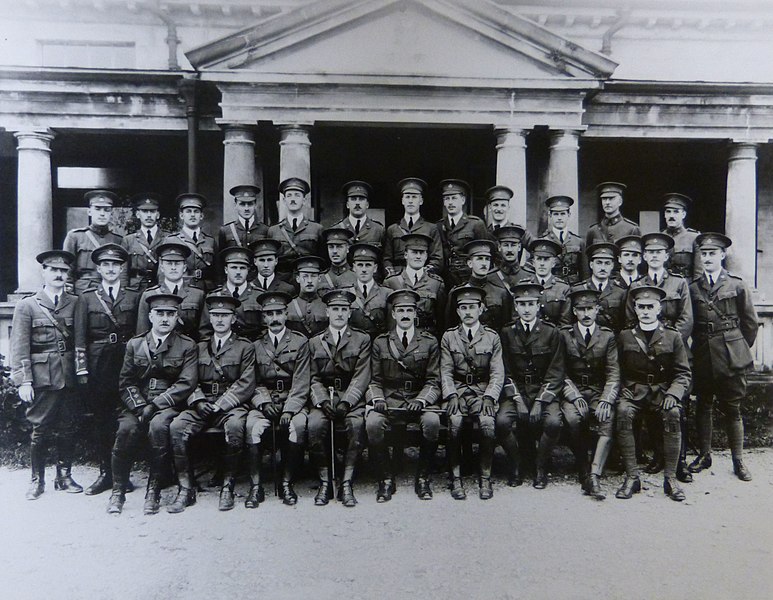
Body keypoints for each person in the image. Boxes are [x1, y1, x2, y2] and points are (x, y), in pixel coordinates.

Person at [108, 293, 198, 515]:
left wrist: (156, 405)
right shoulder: (135, 344)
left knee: (158, 428)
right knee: (126, 430)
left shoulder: (187, 345)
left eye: (170, 314)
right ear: (150, 316)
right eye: (160, 314)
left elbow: (186, 383)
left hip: (168, 405)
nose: (165, 319)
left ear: (177, 317)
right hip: (136, 403)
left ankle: (153, 491)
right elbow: (126, 381)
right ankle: (117, 492)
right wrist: (139, 407)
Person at [167, 294, 255, 513]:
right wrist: (197, 401)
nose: (220, 320)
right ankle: (185, 490)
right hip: (202, 403)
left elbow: (246, 382)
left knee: (235, 428)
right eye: (215, 315)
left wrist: (222, 405)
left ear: (233, 319)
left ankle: (228, 486)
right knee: (177, 428)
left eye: (225, 316)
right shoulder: (197, 347)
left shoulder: (245, 347)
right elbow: (188, 379)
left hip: (231, 405)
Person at [11, 250, 82, 500]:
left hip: (69, 376)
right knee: (40, 429)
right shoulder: (28, 305)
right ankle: (37, 480)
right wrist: (24, 380)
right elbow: (19, 346)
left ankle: (64, 476)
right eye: (54, 270)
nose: (59, 275)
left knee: (68, 428)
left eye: (63, 271)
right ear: (44, 272)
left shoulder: (75, 302)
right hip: (42, 376)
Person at [688, 233, 759, 481]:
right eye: (704, 254)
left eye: (712, 253)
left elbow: (750, 324)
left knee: (733, 408)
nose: (707, 258)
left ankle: (738, 460)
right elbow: (690, 323)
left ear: (722, 255)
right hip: (703, 354)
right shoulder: (693, 287)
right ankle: (705, 455)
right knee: (703, 405)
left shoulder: (736, 284)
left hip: (731, 356)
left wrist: (737, 347)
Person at [626, 232, 694, 482]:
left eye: (659, 252)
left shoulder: (679, 283)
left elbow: (686, 319)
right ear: (644, 257)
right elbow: (631, 319)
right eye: (650, 252)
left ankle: (680, 462)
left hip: (671, 353)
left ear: (666, 256)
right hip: (644, 352)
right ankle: (658, 455)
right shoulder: (637, 286)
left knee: (677, 407)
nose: (654, 256)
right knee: (653, 409)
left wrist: (667, 340)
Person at [74, 244, 141, 496]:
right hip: (98, 365)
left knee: (128, 419)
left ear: (122, 267)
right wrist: (82, 371)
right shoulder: (87, 298)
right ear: (99, 269)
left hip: (126, 364)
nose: (111, 269)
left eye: (115, 264)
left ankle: (124, 474)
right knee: (102, 421)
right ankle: (106, 474)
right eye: (106, 265)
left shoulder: (134, 297)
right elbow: (80, 338)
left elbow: (139, 333)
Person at [615, 286, 691, 502]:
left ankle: (670, 478)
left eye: (650, 307)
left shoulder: (672, 336)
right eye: (641, 307)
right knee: (622, 412)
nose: (646, 311)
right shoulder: (625, 336)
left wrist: (673, 395)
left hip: (662, 393)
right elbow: (616, 369)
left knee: (674, 414)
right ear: (635, 309)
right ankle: (632, 477)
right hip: (634, 392)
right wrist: (624, 390)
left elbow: (683, 373)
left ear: (659, 309)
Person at [366, 290, 441, 501]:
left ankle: (423, 478)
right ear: (394, 314)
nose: (405, 314)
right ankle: (386, 479)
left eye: (409, 310)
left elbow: (434, 380)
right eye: (401, 310)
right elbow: (374, 380)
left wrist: (422, 400)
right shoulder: (381, 343)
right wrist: (378, 399)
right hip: (390, 400)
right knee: (372, 423)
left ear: (416, 313)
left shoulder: (429, 341)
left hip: (418, 399)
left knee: (432, 421)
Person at [307, 290, 371, 507]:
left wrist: (346, 402)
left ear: (350, 313)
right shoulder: (315, 342)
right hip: (325, 398)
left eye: (344, 309)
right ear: (327, 312)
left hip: (350, 398)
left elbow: (362, 375)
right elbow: (313, 377)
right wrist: (323, 401)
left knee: (357, 424)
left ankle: (346, 482)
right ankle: (326, 482)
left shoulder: (362, 339)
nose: (340, 314)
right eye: (335, 309)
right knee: (314, 426)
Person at [246, 291, 311, 506]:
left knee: (299, 425)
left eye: (278, 313)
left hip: (292, 400)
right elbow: (253, 381)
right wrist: (264, 403)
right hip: (266, 402)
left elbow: (302, 382)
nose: (274, 318)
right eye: (269, 314)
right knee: (251, 426)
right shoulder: (255, 346)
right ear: (264, 318)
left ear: (286, 314)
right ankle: (256, 487)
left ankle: (286, 482)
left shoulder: (300, 342)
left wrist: (289, 410)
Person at [497, 283, 564, 489]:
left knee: (553, 422)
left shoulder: (552, 333)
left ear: (538, 306)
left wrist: (540, 402)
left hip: (543, 391)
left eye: (531, 304)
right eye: (522, 304)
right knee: (501, 422)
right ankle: (516, 463)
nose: (526, 309)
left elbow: (555, 372)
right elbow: (505, 370)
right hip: (516, 391)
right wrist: (517, 399)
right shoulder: (507, 332)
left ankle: (539, 466)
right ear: (516, 307)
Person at [440, 285, 505, 500]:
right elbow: (446, 371)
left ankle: (484, 477)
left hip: (481, 391)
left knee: (487, 423)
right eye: (463, 308)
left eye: (472, 307)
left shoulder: (492, 337)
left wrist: (490, 396)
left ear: (481, 309)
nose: (468, 312)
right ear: (457, 311)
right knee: (455, 422)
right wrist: (451, 395)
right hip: (458, 390)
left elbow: (497, 371)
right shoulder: (449, 337)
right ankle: (455, 477)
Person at [559, 289, 619, 499]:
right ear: (574, 311)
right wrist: (574, 396)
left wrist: (606, 399)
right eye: (581, 309)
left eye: (590, 309)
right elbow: (560, 371)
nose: (585, 314)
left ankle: (594, 474)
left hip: (596, 390)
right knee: (572, 419)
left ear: (597, 310)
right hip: (573, 391)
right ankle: (582, 466)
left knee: (607, 419)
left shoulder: (607, 336)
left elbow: (613, 372)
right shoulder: (564, 335)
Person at [137, 241, 205, 340]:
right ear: (162, 267)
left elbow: (203, 332)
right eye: (169, 263)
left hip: (189, 351)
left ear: (184, 267)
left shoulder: (197, 295)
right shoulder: (149, 295)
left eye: (177, 263)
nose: (173, 268)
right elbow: (142, 332)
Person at [63, 190, 125, 295]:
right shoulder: (75, 236)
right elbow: (68, 269)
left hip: (110, 291)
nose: (102, 214)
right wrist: (69, 294)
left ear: (111, 213)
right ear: (89, 211)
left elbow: (122, 271)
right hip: (83, 291)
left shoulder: (118, 240)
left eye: (106, 210)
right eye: (97, 209)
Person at [382, 233, 446, 335]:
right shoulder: (391, 282)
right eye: (414, 252)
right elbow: (388, 319)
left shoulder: (436, 283)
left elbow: (441, 319)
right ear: (406, 255)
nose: (418, 256)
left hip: (426, 337)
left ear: (426, 256)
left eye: (422, 253)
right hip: (398, 336)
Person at [446, 239, 512, 333]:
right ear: (470, 263)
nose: (484, 263)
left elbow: (506, 328)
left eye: (487, 259)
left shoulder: (501, 292)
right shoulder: (457, 293)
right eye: (479, 258)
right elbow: (449, 327)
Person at [382, 178, 444, 277]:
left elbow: (437, 259)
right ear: (402, 201)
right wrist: (393, 276)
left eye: (414, 197)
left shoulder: (431, 228)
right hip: (398, 277)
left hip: (422, 277)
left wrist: (423, 274)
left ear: (421, 201)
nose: (410, 201)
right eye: (407, 197)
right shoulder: (393, 229)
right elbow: (386, 259)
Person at [199, 247, 263, 341]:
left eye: (242, 268)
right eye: (234, 267)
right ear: (226, 270)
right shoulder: (214, 297)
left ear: (248, 270)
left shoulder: (258, 296)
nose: (238, 272)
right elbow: (205, 332)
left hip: (252, 348)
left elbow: (266, 330)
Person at [268, 177, 324, 278]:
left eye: (297, 195)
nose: (293, 199)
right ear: (284, 200)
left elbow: (323, 260)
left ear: (304, 200)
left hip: (307, 280)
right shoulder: (273, 231)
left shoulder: (317, 229)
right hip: (281, 282)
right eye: (289, 196)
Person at [436, 179, 488, 287]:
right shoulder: (439, 226)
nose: (450, 202)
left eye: (454, 198)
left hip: (468, 278)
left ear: (463, 200)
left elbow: (485, 253)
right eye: (447, 199)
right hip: (445, 279)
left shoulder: (476, 224)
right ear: (444, 202)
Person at [165, 192, 217, 291]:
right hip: (182, 290)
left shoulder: (210, 241)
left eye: (196, 211)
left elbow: (217, 273)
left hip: (207, 290)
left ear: (201, 216)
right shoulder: (172, 240)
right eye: (188, 211)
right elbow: (163, 272)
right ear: (181, 215)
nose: (192, 215)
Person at [572, 243, 627, 333]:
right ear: (591, 265)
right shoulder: (579, 289)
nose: (603, 268)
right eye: (599, 263)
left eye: (607, 263)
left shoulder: (620, 292)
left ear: (612, 266)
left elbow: (623, 323)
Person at [122, 192, 166, 292]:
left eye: (152, 211)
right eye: (145, 211)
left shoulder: (166, 238)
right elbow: (123, 271)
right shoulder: (129, 240)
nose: (149, 215)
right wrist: (123, 291)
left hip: (159, 288)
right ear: (138, 214)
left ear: (158, 215)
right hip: (135, 288)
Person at [521, 238, 572, 327]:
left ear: (553, 263)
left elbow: (565, 324)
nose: (542, 263)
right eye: (539, 259)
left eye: (546, 259)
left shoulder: (563, 288)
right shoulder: (524, 286)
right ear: (533, 262)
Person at [344, 243, 390, 338]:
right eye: (360, 265)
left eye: (368, 265)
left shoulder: (386, 293)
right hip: (354, 345)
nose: (364, 269)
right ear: (354, 268)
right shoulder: (346, 293)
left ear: (375, 268)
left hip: (378, 343)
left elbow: (390, 326)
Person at [538, 195, 586, 285]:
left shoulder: (578, 242)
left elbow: (585, 273)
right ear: (550, 216)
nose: (559, 218)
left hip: (574, 287)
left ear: (569, 215)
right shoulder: (543, 241)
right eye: (556, 214)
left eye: (562, 214)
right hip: (552, 287)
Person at [484, 185, 532, 262]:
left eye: (503, 205)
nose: (499, 209)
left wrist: (526, 270)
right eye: (495, 205)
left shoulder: (519, 231)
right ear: (490, 207)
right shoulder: (484, 233)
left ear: (508, 207)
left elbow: (537, 250)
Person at [218, 184, 269, 254]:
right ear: (235, 205)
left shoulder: (265, 229)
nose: (246, 208)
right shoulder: (226, 230)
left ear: (255, 205)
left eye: (250, 204)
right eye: (242, 204)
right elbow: (222, 258)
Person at [286, 256, 330, 338]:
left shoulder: (327, 306)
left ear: (319, 278)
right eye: (305, 276)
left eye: (313, 276)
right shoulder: (289, 306)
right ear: (298, 279)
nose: (309, 280)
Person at [585, 182, 640, 246]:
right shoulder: (593, 230)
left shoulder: (632, 229)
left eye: (611, 198)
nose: (607, 202)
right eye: (604, 199)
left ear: (620, 201)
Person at [662, 192, 702, 279]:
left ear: (683, 214)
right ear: (665, 215)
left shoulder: (694, 238)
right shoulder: (659, 238)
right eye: (668, 212)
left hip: (686, 287)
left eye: (676, 212)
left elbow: (699, 272)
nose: (671, 216)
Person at [332, 180, 384, 247]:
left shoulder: (378, 230)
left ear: (367, 204)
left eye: (361, 199)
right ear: (347, 204)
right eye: (353, 199)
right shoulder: (337, 229)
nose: (357, 203)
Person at [488, 225, 532, 295]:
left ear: (519, 247)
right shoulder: (490, 277)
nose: (509, 250)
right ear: (499, 247)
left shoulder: (529, 276)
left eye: (513, 245)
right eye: (505, 245)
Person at [319, 227, 357, 295]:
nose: (334, 251)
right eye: (331, 247)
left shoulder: (357, 276)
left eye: (339, 247)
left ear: (347, 248)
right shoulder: (320, 278)